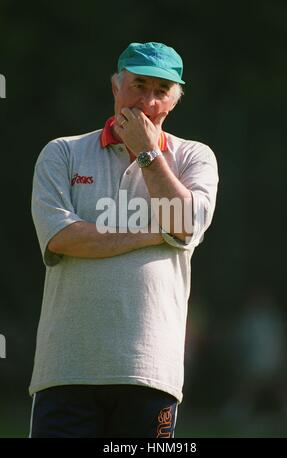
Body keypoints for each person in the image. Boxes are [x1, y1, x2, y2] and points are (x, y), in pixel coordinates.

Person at [29, 41, 219, 438]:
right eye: (138, 85)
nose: (147, 101)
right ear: (116, 86)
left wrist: (148, 154)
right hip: (66, 368)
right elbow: (62, 237)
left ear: (174, 101)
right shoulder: (62, 153)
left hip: (149, 368)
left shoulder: (194, 157)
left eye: (161, 91)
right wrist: (156, 234)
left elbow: (184, 225)